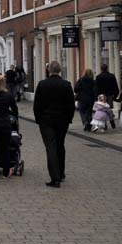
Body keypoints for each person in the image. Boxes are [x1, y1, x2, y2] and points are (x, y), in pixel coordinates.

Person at [33, 60, 74, 188]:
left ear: (49, 70)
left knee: (51, 147)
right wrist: (69, 118)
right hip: (62, 120)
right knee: (60, 145)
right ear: (59, 70)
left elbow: (37, 105)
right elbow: (71, 105)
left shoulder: (42, 85)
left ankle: (55, 178)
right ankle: (61, 173)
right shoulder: (66, 85)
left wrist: (38, 119)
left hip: (46, 120)